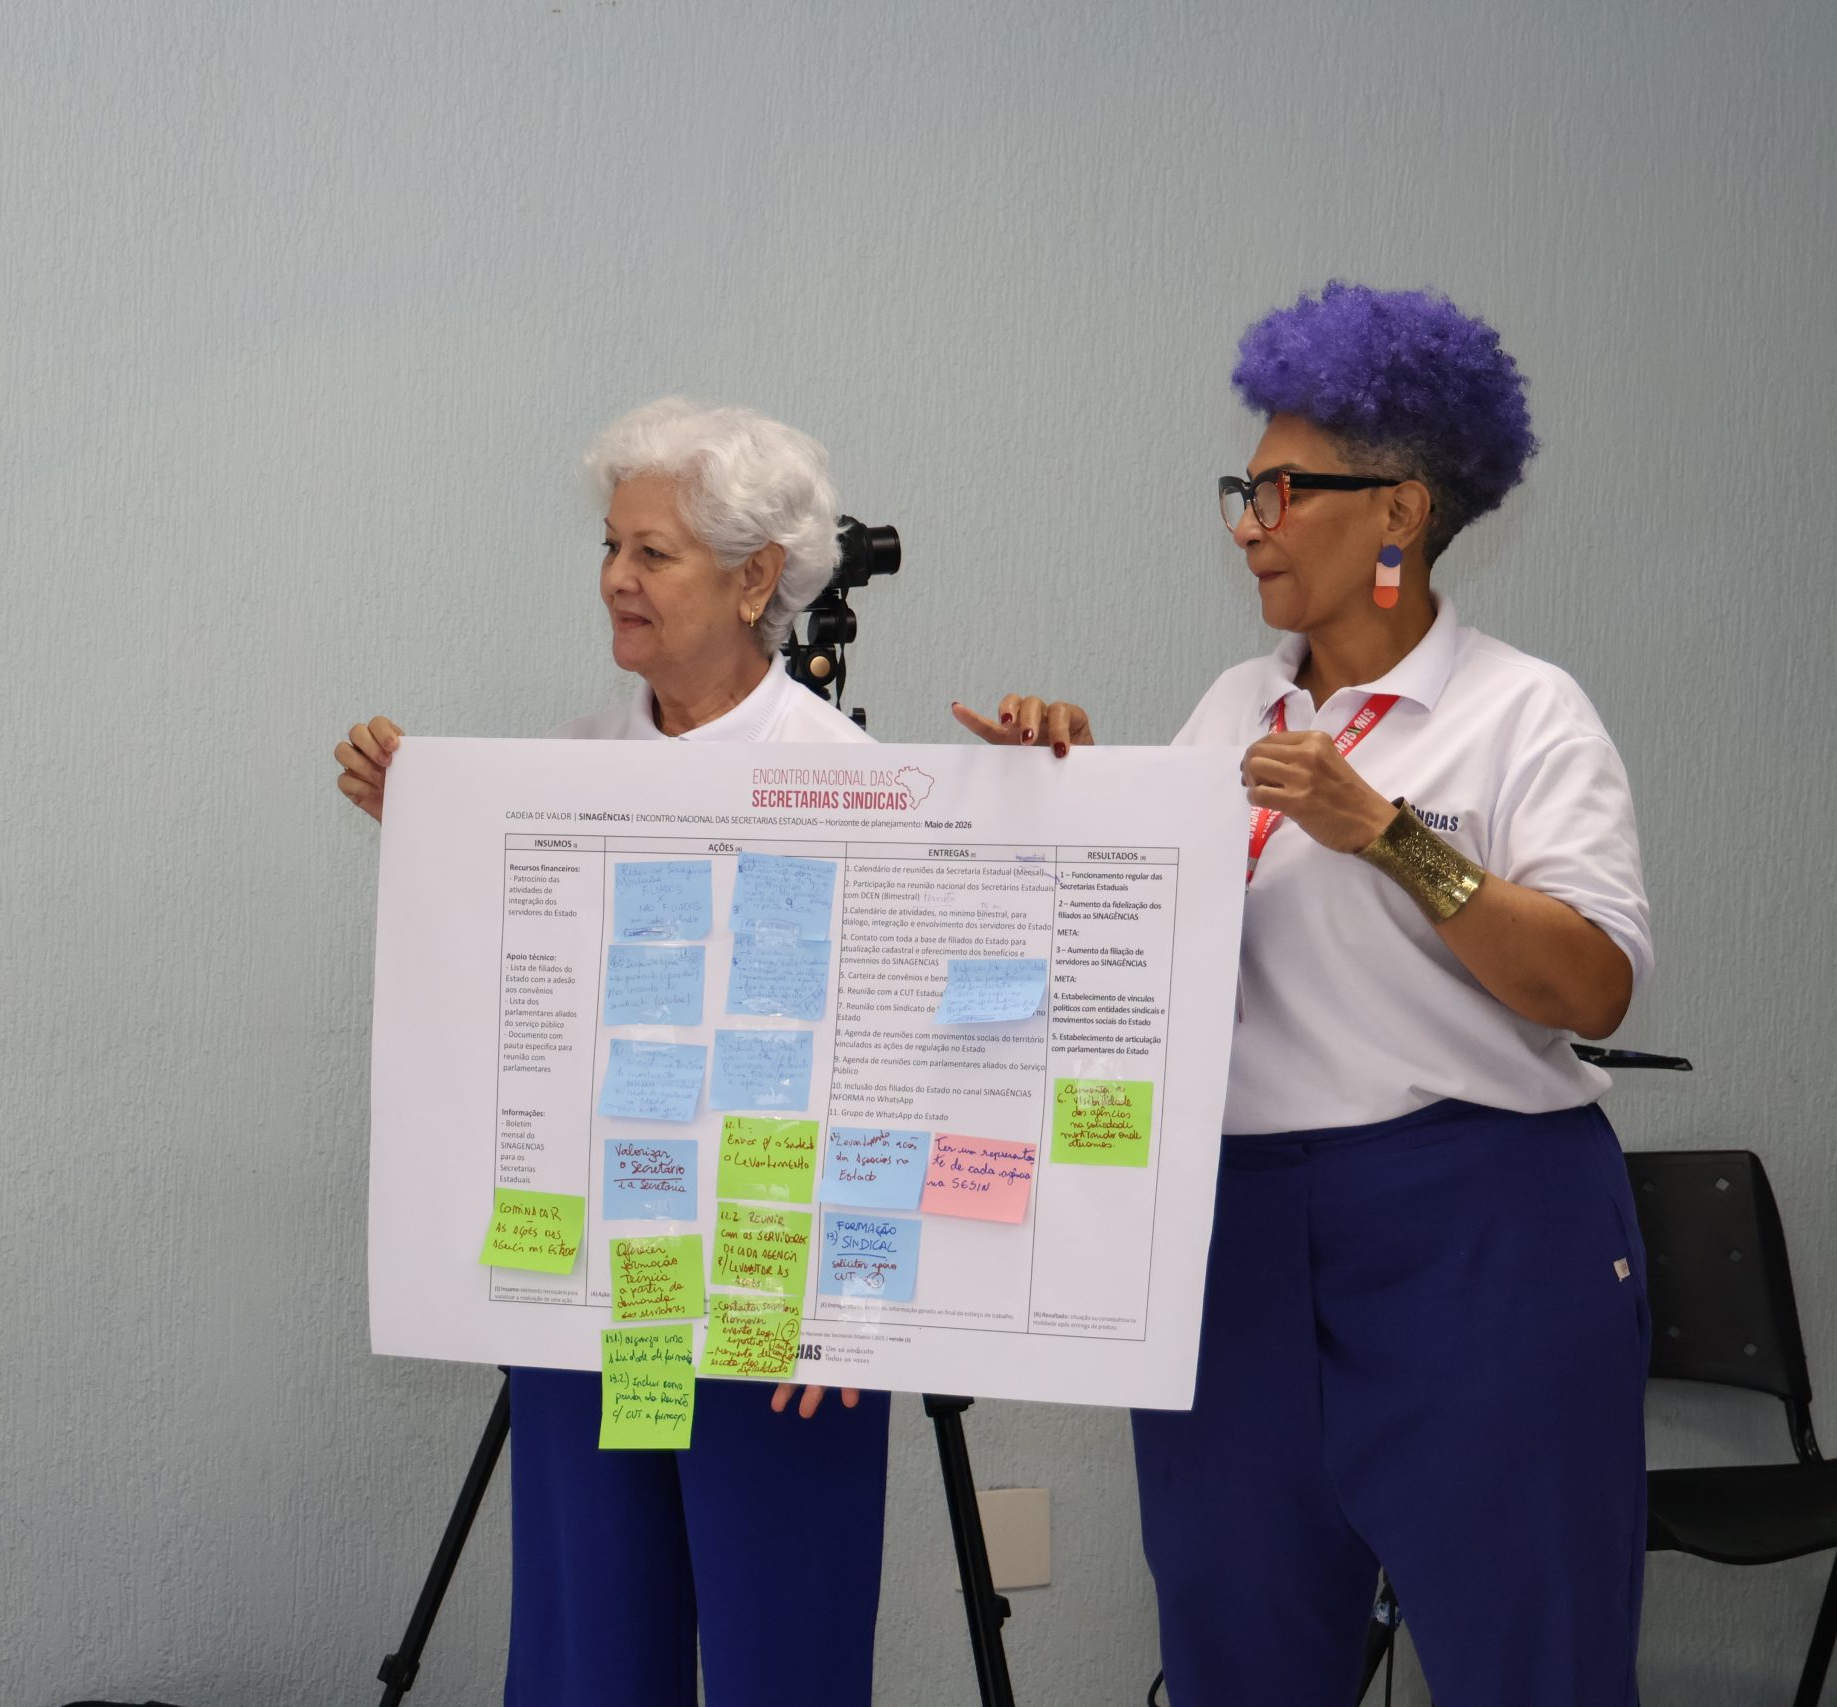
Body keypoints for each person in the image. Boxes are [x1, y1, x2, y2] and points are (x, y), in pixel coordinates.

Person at [957, 283, 1653, 1705]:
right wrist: (1065, 805)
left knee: (1532, 1656)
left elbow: (1593, 984)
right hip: (1234, 1237)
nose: (1249, 522)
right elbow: (1133, 970)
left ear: (1399, 510)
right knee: (1237, 1652)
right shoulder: (1233, 710)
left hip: (1478, 1227)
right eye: (1244, 490)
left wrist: (1389, 834)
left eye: (1281, 490)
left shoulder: (1524, 712)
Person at [334, 399, 890, 1707]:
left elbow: (888, 1063)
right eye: (610, 546)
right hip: (603, 1286)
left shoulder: (851, 775)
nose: (615, 579)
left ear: (754, 578)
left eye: (653, 552)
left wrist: (857, 1302)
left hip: (774, 1300)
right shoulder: (561, 770)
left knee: (782, 1646)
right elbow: (511, 1006)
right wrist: (429, 832)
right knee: (595, 1637)